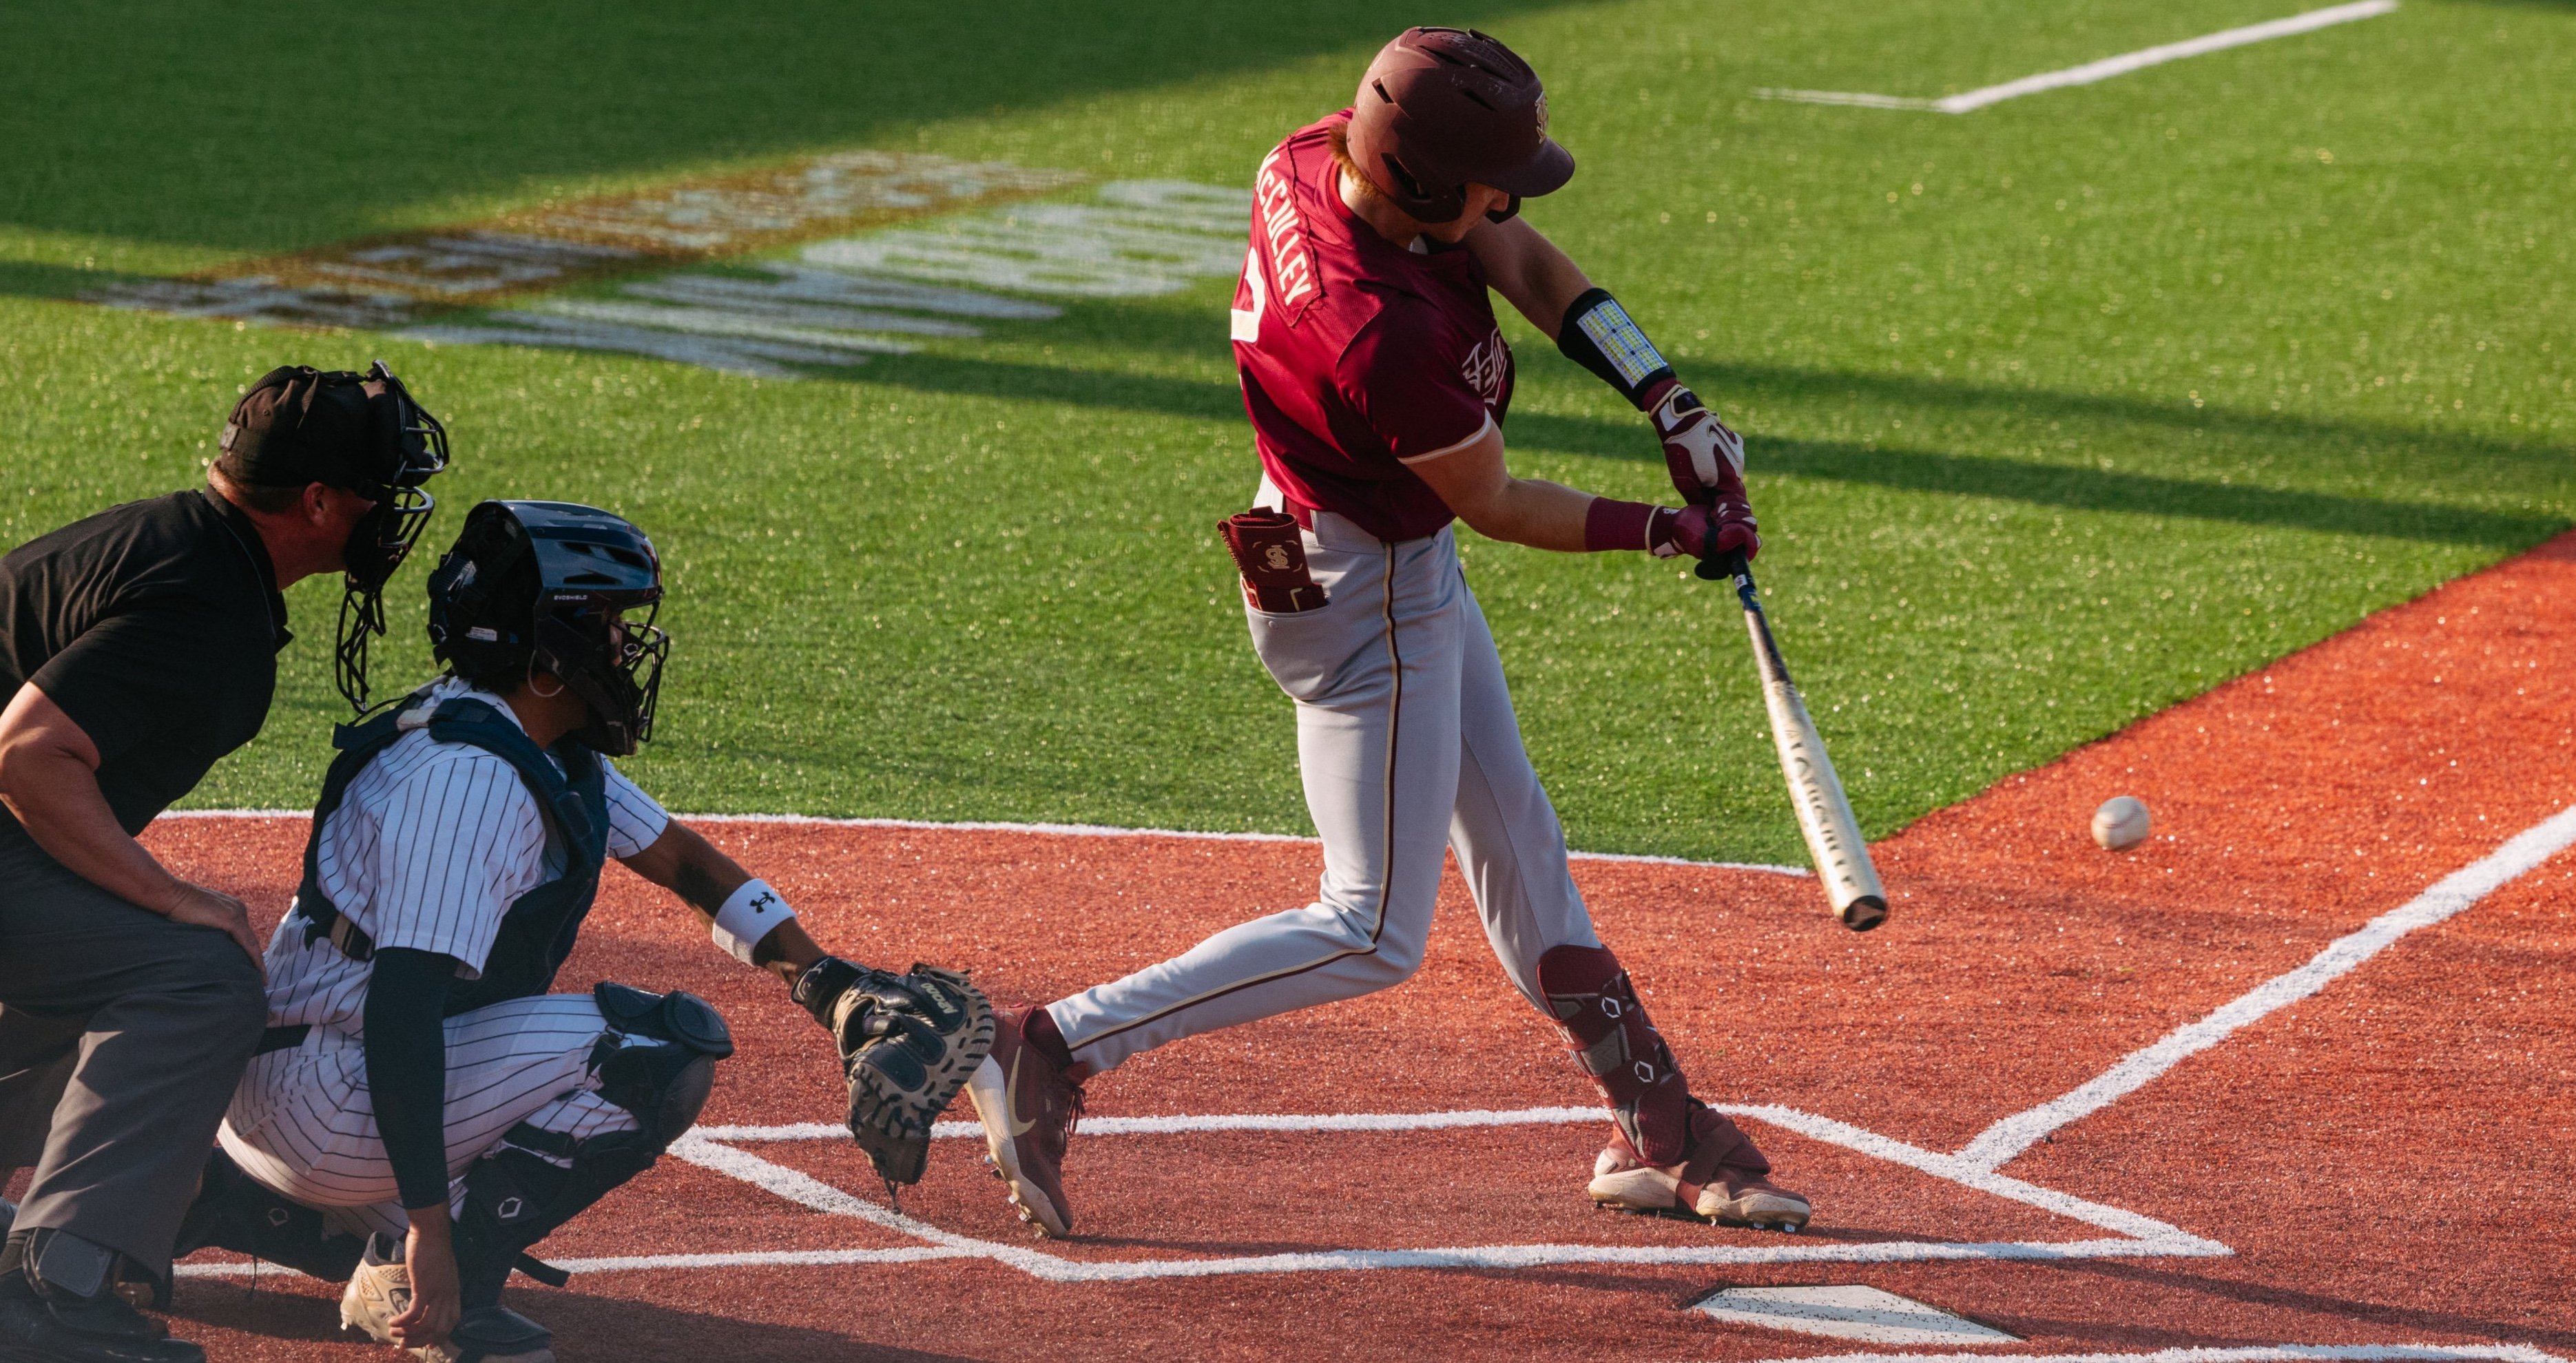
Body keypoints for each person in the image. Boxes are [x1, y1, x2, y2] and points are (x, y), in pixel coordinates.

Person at [964, 27, 1804, 1241]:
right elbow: (1496, 500)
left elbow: (1511, 242)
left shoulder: (1319, 158)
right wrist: (1670, 530)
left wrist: (1662, 391)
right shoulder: (1379, 332)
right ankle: (1052, 1043)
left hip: (1340, 546)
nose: (1508, 198)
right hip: (1373, 594)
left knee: (1518, 839)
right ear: (1417, 182)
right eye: (1485, 178)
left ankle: (1655, 1124)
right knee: (1369, 926)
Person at [167, 499, 990, 1363]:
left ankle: (229, 1199)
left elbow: (685, 863)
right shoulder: (469, 784)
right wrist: (429, 1231)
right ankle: (416, 1272)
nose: (623, 646)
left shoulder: (518, 735)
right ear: (548, 649)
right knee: (654, 1050)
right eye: (604, 622)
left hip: (285, 1086)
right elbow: (401, 1014)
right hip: (334, 1089)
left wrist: (827, 984)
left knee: (554, 1063)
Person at [0, 363, 448, 1363]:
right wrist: (171, 895)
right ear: (320, 502)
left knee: (112, 949)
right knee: (194, 973)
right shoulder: (208, 604)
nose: (393, 517)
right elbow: (27, 751)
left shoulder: (180, 542)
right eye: (380, 494)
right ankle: (53, 1291)